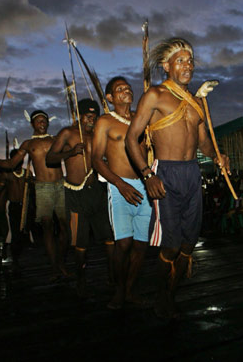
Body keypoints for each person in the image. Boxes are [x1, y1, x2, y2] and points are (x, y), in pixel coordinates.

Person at [125, 37, 229, 320]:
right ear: (166, 65)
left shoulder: (197, 103)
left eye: (190, 60)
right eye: (181, 60)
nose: (188, 65)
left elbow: (204, 143)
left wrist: (219, 157)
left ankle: (171, 295)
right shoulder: (155, 95)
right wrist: (147, 175)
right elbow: (131, 139)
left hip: (192, 174)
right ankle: (161, 296)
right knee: (170, 244)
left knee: (187, 244)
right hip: (165, 174)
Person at [0, 110, 71, 281]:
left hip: (60, 186)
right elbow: (11, 163)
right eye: (38, 121)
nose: (42, 123)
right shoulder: (28, 144)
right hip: (42, 188)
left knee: (64, 227)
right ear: (32, 124)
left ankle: (61, 261)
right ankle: (54, 267)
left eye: (44, 121)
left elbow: (71, 152)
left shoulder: (56, 140)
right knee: (47, 226)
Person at [92, 76, 152, 309]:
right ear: (110, 97)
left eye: (128, 87)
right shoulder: (105, 122)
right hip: (119, 187)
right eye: (120, 89)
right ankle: (118, 291)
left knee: (141, 245)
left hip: (145, 187)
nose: (126, 90)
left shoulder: (142, 119)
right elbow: (96, 160)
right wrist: (120, 184)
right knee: (124, 243)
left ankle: (129, 290)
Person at [46, 99, 114, 297]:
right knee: (79, 241)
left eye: (94, 116)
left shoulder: (99, 135)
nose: (91, 119)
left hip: (97, 192)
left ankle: (112, 276)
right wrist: (70, 152)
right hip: (75, 194)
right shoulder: (68, 133)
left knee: (109, 237)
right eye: (87, 115)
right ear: (79, 115)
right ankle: (81, 280)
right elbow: (49, 158)